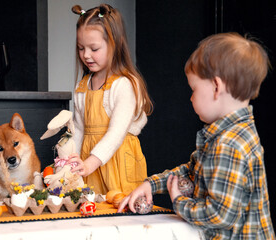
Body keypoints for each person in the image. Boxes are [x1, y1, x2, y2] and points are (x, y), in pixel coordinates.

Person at [118, 32, 275, 239]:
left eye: (193, 89)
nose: (191, 98)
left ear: (216, 87)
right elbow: (192, 172)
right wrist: (151, 184)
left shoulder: (229, 144)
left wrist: (179, 201)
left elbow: (219, 215)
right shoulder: (228, 135)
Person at [67, 4, 153, 195]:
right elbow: (79, 130)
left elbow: (116, 133)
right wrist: (70, 161)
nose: (86, 55)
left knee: (121, 211)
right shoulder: (82, 86)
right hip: (91, 166)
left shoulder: (125, 85)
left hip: (119, 164)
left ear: (115, 44)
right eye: (81, 48)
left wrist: (90, 163)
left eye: (94, 48)